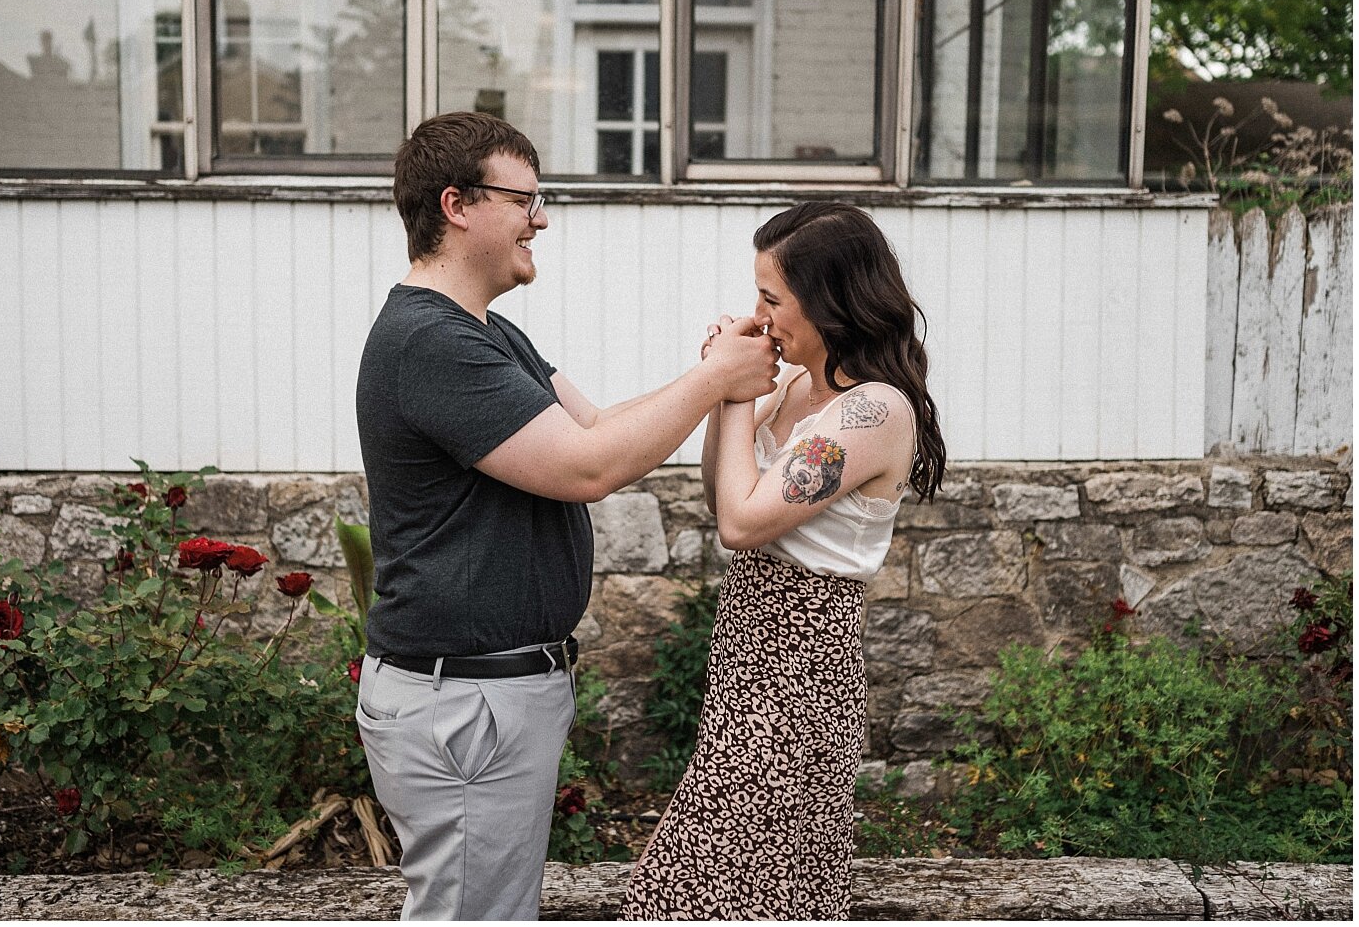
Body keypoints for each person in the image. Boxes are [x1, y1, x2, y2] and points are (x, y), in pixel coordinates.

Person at [353, 111, 779, 920]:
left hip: (486, 695)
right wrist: (718, 379)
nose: (541, 219)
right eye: (527, 199)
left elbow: (592, 429)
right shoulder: (430, 343)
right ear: (457, 205)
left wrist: (714, 378)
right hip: (466, 703)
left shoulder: (483, 332)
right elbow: (589, 469)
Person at [620, 201, 947, 919]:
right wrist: (724, 394)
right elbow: (722, 490)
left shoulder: (874, 412)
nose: (759, 316)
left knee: (718, 887)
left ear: (829, 303)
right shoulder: (798, 387)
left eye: (771, 299)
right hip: (747, 665)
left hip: (799, 682)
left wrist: (729, 386)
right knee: (724, 888)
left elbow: (741, 523)